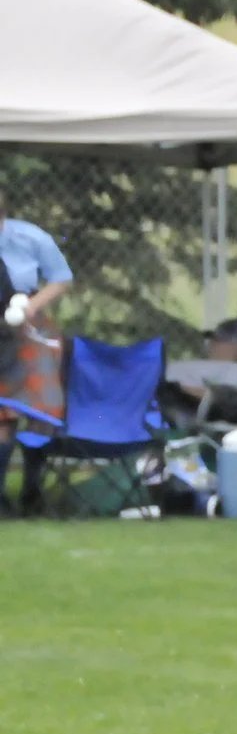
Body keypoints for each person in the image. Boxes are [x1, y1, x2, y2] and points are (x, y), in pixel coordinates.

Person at [0, 187, 74, 506]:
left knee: (41, 406)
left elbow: (61, 278)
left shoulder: (30, 237)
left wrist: (32, 306)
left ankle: (33, 490)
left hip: (30, 327)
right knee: (3, 412)